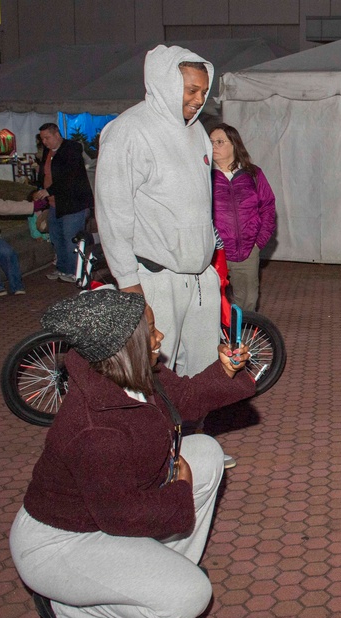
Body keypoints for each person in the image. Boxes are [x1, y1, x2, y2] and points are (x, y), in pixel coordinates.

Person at [9, 288, 255, 618]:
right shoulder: (95, 430)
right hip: (61, 542)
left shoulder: (129, 372)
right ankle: (69, 614)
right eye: (151, 331)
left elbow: (185, 399)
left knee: (205, 453)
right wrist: (179, 489)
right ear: (123, 345)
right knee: (190, 599)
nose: (160, 338)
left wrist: (225, 370)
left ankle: (167, 566)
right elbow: (120, 515)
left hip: (103, 517)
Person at [95, 45, 219, 380]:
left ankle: (195, 434)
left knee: (205, 376)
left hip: (199, 279)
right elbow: (112, 213)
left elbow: (200, 205)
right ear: (164, 82)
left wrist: (210, 260)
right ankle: (160, 435)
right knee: (155, 376)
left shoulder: (197, 132)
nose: (198, 99)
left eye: (204, 91)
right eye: (191, 90)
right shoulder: (127, 132)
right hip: (154, 280)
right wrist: (130, 286)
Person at [210, 123, 277, 311]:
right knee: (213, 303)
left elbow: (268, 207)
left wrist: (258, 243)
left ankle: (240, 339)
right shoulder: (204, 176)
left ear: (234, 145)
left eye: (220, 142)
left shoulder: (253, 175)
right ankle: (216, 339)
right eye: (211, 142)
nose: (214, 146)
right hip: (215, 253)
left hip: (247, 251)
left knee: (247, 301)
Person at [34, 123, 94, 282]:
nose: (45, 142)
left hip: (73, 203)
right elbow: (45, 173)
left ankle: (75, 271)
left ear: (57, 134)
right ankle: (63, 268)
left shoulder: (72, 148)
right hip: (55, 203)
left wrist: (49, 190)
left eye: (47, 138)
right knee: (56, 237)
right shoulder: (48, 151)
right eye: (42, 139)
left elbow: (69, 176)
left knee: (70, 238)